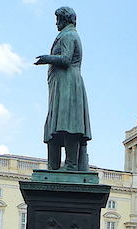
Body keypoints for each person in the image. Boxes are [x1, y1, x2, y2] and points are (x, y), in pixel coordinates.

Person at [35, 6, 92, 172]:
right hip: (61, 84)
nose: (55, 23)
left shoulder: (69, 35)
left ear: (65, 19)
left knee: (68, 122)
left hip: (68, 83)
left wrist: (47, 58)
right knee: (58, 123)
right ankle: (53, 166)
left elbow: (66, 59)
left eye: (58, 19)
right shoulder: (67, 35)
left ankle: (70, 165)